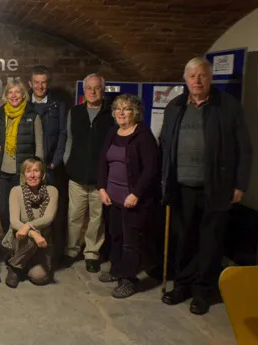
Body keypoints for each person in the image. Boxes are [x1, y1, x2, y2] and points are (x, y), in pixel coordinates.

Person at [160, 57, 252, 315]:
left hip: (216, 186)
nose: (197, 81)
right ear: (185, 79)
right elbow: (166, 145)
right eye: (192, 76)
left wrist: (240, 183)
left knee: (210, 242)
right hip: (182, 187)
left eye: (202, 75)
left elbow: (244, 148)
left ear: (210, 78)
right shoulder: (175, 106)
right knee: (184, 238)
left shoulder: (228, 106)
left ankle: (202, 292)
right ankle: (183, 285)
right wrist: (165, 179)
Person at [96, 94, 160, 299]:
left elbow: (151, 169)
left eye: (127, 109)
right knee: (115, 236)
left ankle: (129, 279)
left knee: (131, 241)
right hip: (112, 196)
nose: (121, 112)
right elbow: (102, 161)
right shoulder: (113, 131)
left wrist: (136, 194)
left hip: (133, 199)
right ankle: (117, 270)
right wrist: (102, 188)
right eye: (118, 108)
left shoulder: (143, 136)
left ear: (136, 112)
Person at [63, 73, 114, 273]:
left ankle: (92, 253)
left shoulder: (110, 114)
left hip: (100, 178)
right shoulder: (74, 112)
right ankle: (71, 250)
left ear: (103, 90)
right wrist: (68, 162)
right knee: (74, 216)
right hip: (76, 175)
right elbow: (69, 139)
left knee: (97, 217)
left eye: (97, 88)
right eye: (89, 88)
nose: (92, 92)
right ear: (84, 91)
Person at [0, 78, 44, 235]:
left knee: (21, 211)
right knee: (3, 210)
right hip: (2, 172)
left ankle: (21, 245)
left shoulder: (32, 115)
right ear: (6, 95)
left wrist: (39, 172)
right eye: (10, 92)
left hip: (22, 172)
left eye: (17, 92)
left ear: (23, 95)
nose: (13, 95)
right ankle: (10, 244)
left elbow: (39, 145)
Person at [2, 157, 58, 288]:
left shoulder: (52, 191)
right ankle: (15, 267)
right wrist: (34, 234)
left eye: (36, 171)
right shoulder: (16, 191)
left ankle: (17, 263)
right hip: (21, 240)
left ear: (42, 174)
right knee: (30, 238)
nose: (32, 175)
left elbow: (48, 218)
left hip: (42, 244)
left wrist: (27, 226)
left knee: (40, 278)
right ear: (23, 175)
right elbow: (14, 221)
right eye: (28, 171)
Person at [27, 65, 67, 184]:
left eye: (43, 82)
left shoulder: (58, 104)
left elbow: (63, 133)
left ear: (48, 83)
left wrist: (56, 161)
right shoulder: (24, 104)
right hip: (28, 166)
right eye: (36, 82)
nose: (40, 86)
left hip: (50, 166)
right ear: (30, 83)